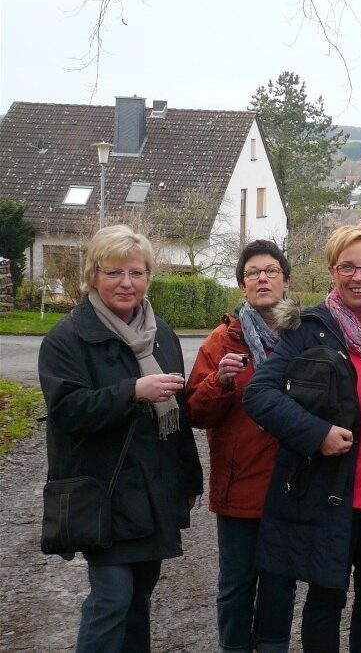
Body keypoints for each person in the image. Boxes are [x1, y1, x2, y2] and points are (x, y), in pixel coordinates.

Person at [243, 225, 361, 653]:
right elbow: (259, 394)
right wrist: (317, 435)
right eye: (346, 266)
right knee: (327, 598)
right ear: (332, 271)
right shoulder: (309, 328)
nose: (358, 276)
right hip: (334, 489)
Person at [38, 224, 204, 651]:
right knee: (112, 597)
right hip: (102, 491)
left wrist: (189, 480)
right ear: (93, 275)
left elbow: (178, 414)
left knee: (139, 598)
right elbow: (66, 410)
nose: (126, 283)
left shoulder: (160, 333)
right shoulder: (67, 338)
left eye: (136, 272)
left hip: (153, 491)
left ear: (148, 275)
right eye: (114, 273)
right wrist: (131, 392)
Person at [185, 240, 297, 653]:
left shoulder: (304, 336)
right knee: (235, 585)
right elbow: (195, 413)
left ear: (286, 281)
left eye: (270, 271)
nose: (262, 278)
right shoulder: (221, 341)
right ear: (242, 284)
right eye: (253, 273)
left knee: (281, 584)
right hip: (239, 487)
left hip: (290, 485)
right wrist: (221, 382)